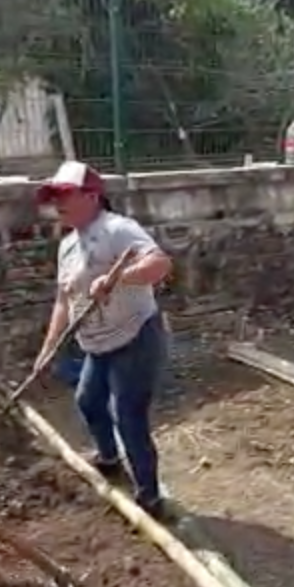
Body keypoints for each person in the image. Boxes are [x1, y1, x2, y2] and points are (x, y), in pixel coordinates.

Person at [33, 161, 173, 517]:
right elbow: (64, 301)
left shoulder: (117, 229)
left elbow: (159, 265)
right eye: (54, 197)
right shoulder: (67, 246)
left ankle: (150, 497)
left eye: (65, 195)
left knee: (128, 415)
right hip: (96, 343)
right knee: (88, 401)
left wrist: (120, 278)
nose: (57, 204)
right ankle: (109, 457)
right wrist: (48, 349)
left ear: (92, 196)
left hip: (134, 336)